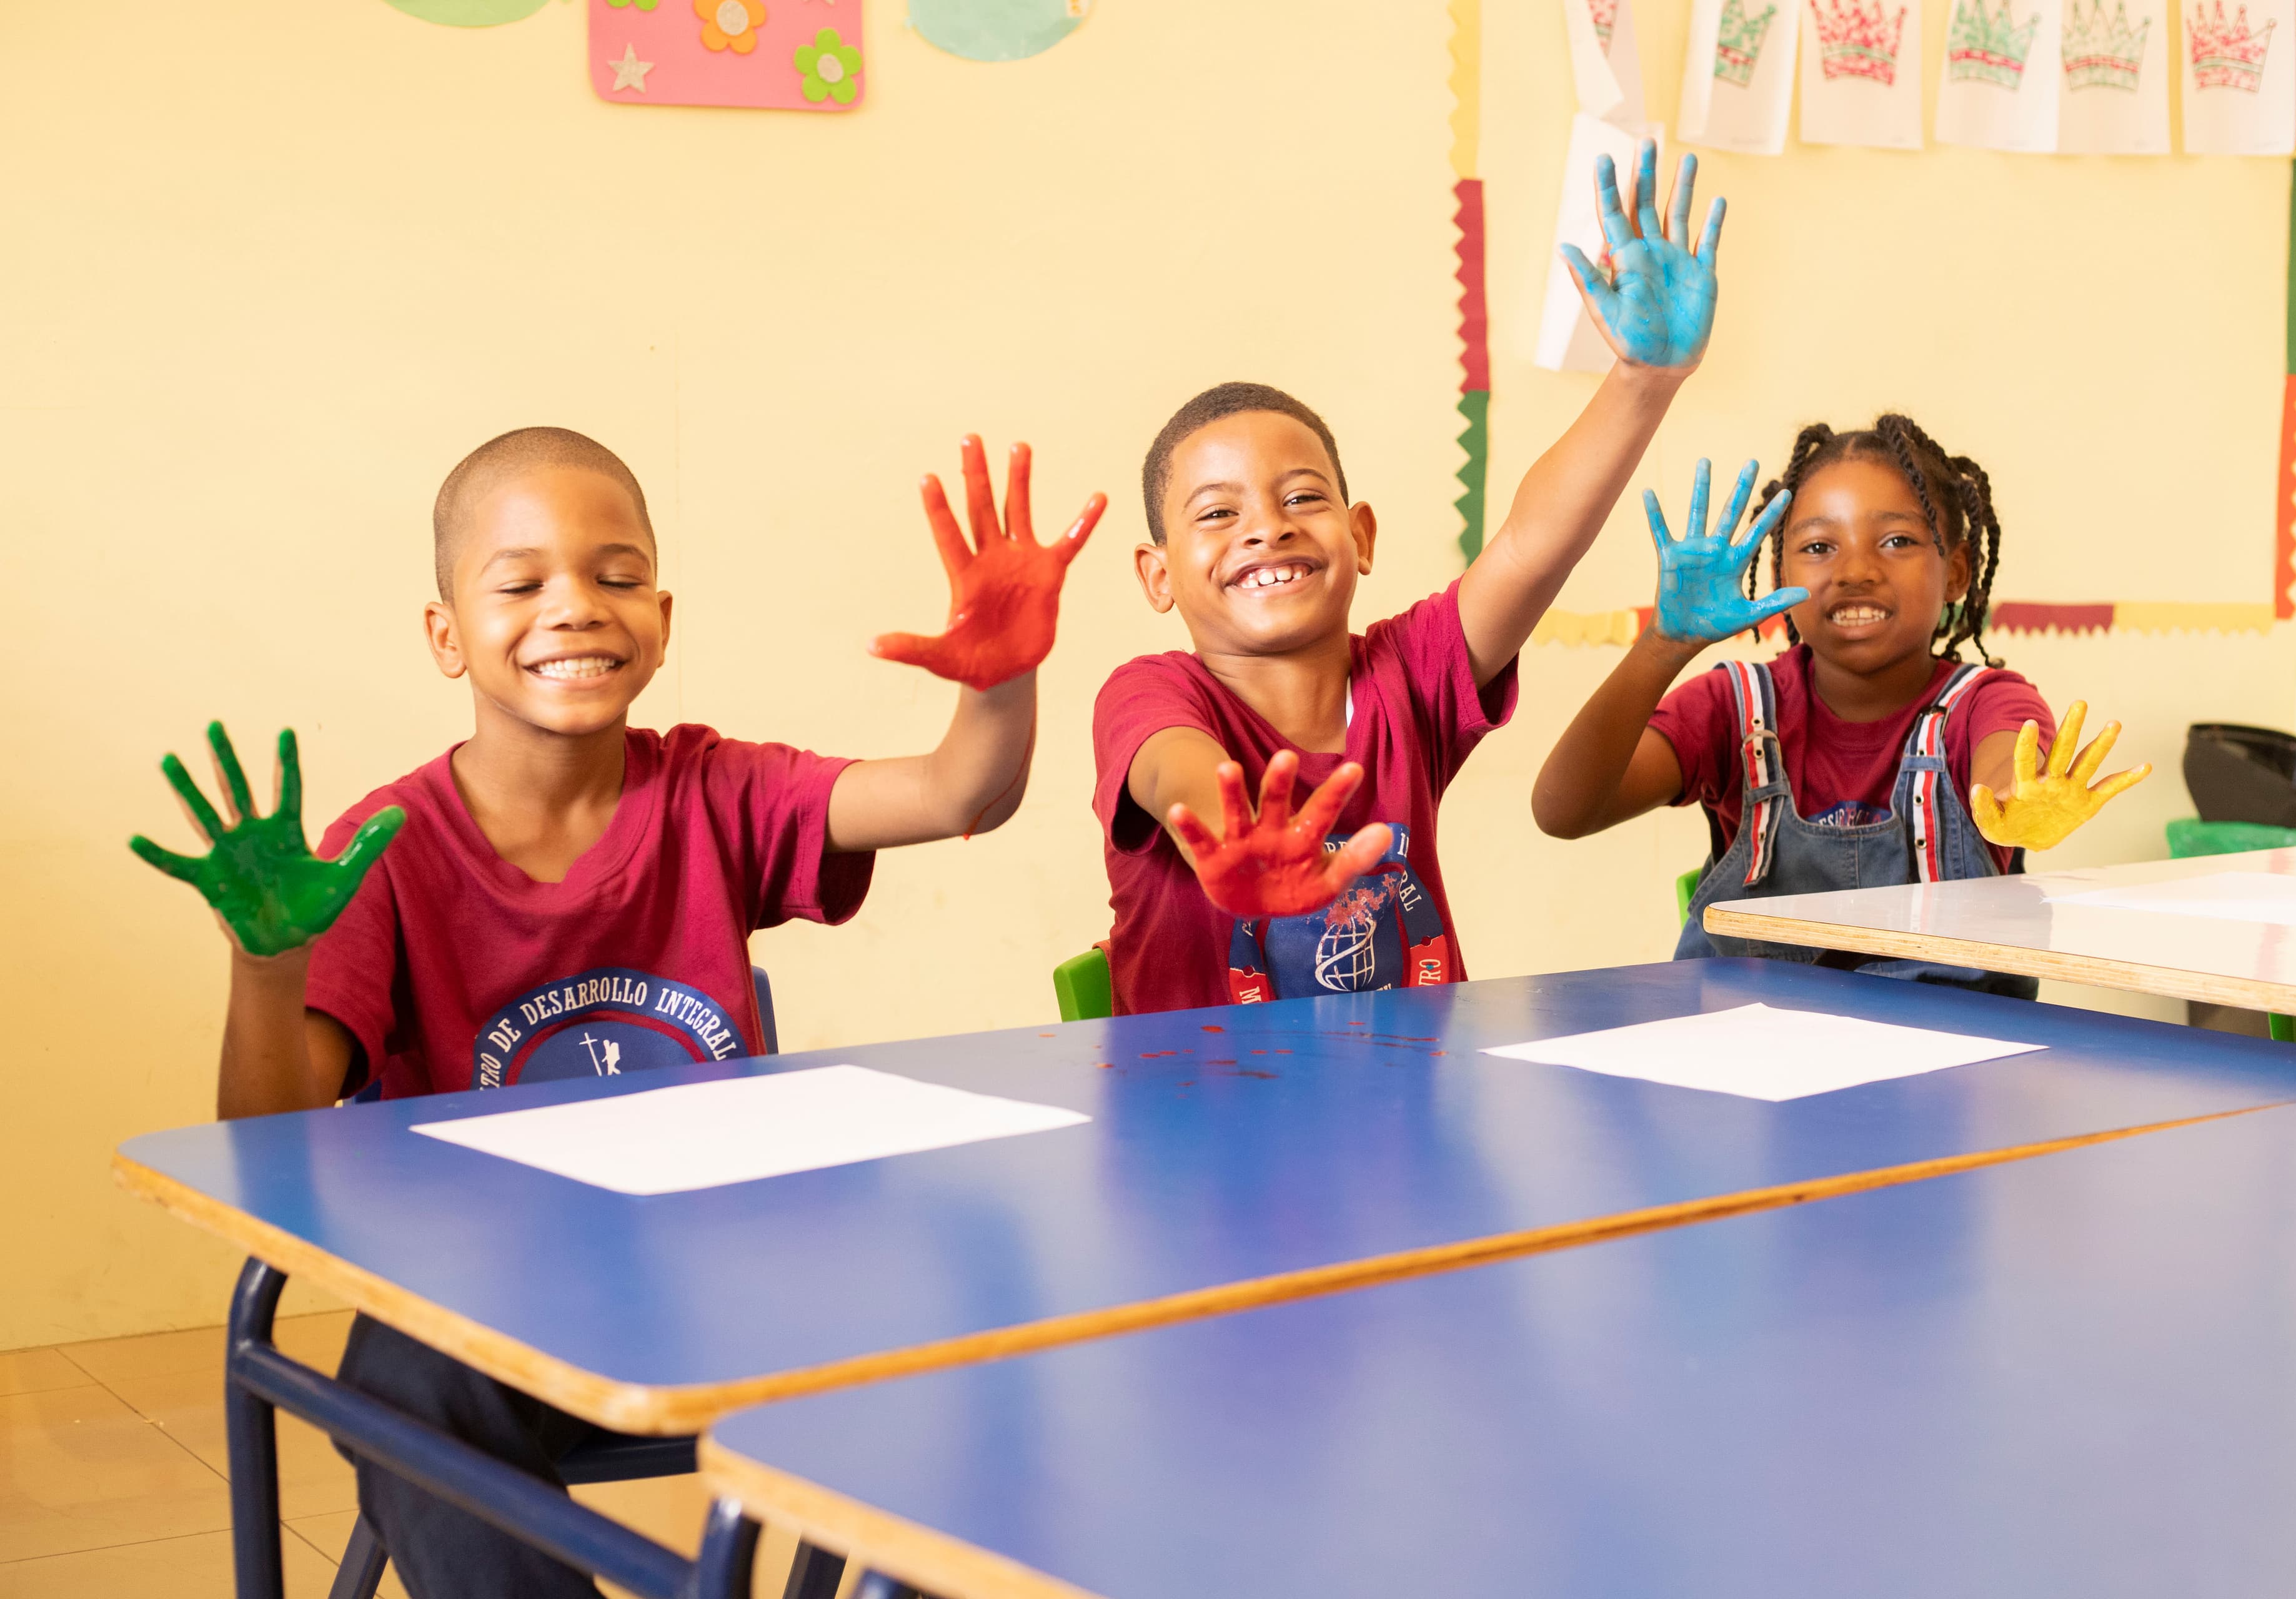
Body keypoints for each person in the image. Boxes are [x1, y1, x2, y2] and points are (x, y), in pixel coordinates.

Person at [129, 424, 1103, 1598]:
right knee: (399, 1384)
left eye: (617, 575)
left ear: (664, 619)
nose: (578, 605)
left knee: (981, 1279)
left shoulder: (714, 785)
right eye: (523, 581)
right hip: (496, 1312)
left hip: (734, 1269)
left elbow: (958, 791)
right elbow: (263, 1144)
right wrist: (267, 964)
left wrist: (1001, 678)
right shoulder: (383, 852)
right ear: (447, 636)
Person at [1090, 140, 1728, 1013]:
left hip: (1409, 1118)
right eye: (1217, 513)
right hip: (1206, 1129)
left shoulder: (1408, 675)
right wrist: (1233, 830)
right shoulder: (1150, 693)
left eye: (1301, 497)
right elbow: (1172, 771)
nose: (1266, 527)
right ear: (1157, 576)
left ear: (1361, 536)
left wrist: (1642, 381)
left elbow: (1529, 548)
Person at [1530, 415, 2150, 994]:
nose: (1855, 569)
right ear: (1778, 574)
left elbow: (2006, 773)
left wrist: (2016, 806)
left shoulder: (1986, 701)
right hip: (1751, 1063)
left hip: (1948, 1076)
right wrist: (1663, 647)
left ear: (1957, 572)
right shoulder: (1732, 708)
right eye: (1820, 547)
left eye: (1897, 540)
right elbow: (1563, 811)